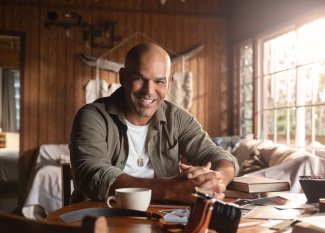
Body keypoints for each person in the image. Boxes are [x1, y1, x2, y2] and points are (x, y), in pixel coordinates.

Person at [69, 42, 239, 204]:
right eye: (139, 78)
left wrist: (216, 179)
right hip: (101, 217)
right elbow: (92, 175)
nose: (149, 91)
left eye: (159, 81)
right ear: (122, 77)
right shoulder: (92, 116)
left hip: (161, 219)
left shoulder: (178, 118)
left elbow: (221, 158)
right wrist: (171, 189)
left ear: (169, 83)